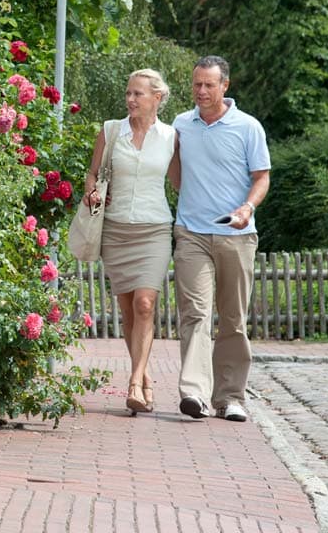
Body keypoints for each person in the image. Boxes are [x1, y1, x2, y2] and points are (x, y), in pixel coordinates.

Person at [168, 55, 271, 422]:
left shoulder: (248, 127)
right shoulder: (181, 124)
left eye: (209, 85)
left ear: (225, 86)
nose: (201, 91)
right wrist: (191, 199)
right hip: (191, 233)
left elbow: (262, 177)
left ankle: (229, 397)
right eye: (197, 84)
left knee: (233, 319)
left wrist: (247, 207)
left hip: (236, 236)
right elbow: (175, 172)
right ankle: (194, 393)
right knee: (195, 313)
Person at [83, 69, 176, 415]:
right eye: (128, 93)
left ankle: (134, 382)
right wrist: (91, 192)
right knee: (127, 311)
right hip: (116, 229)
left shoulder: (171, 137)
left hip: (155, 229)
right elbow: (92, 173)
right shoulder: (111, 131)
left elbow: (182, 181)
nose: (130, 99)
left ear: (157, 98)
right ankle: (145, 375)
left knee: (145, 304)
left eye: (138, 94)